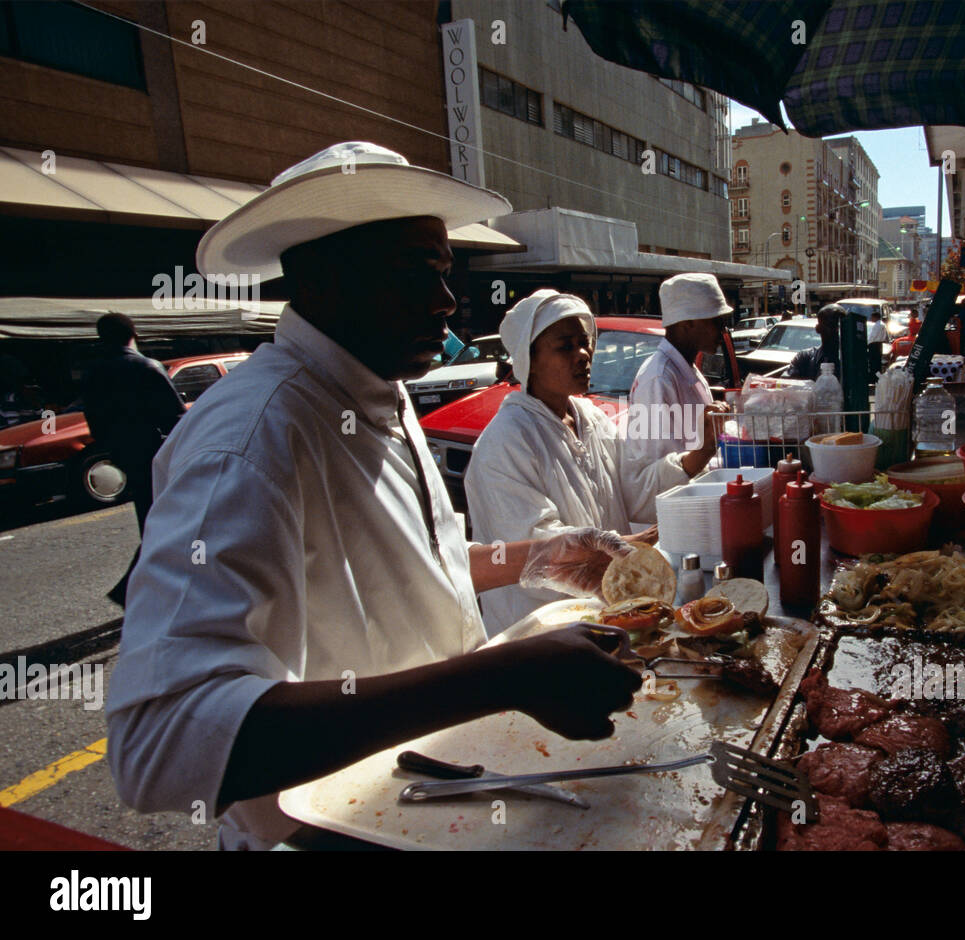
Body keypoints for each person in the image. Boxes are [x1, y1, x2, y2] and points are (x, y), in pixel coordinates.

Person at [105, 142, 642, 850]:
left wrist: (545, 555)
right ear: (325, 277)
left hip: (435, 802)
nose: (447, 302)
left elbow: (421, 569)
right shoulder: (253, 433)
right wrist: (503, 676)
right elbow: (158, 743)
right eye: (416, 274)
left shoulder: (378, 392)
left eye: (446, 273)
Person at [466, 290, 695, 634]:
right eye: (565, 347)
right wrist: (619, 546)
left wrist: (697, 458)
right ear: (529, 361)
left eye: (584, 343)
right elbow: (537, 550)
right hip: (541, 632)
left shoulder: (591, 418)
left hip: (602, 616)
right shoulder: (506, 442)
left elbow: (634, 490)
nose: (583, 354)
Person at [80, 312, 187, 606]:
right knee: (172, 523)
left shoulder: (93, 374)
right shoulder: (146, 367)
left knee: (153, 520)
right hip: (157, 455)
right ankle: (133, 590)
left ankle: (151, 591)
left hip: (123, 455)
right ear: (133, 333)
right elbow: (176, 419)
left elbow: (94, 423)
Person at [626, 272, 731, 467]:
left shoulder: (687, 370)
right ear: (687, 323)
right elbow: (663, 472)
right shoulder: (659, 378)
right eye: (716, 322)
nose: (723, 330)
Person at [785, 303, 844, 380]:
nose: (836, 331)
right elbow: (788, 382)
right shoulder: (805, 357)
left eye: (839, 326)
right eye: (831, 325)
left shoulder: (852, 361)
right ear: (818, 328)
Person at [865, 310, 888, 383]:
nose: (871, 319)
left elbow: (873, 337)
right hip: (879, 345)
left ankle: (873, 378)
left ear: (875, 317)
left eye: (872, 317)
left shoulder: (878, 325)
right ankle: (876, 377)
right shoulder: (882, 324)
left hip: (874, 345)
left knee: (873, 363)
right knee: (877, 362)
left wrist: (867, 344)